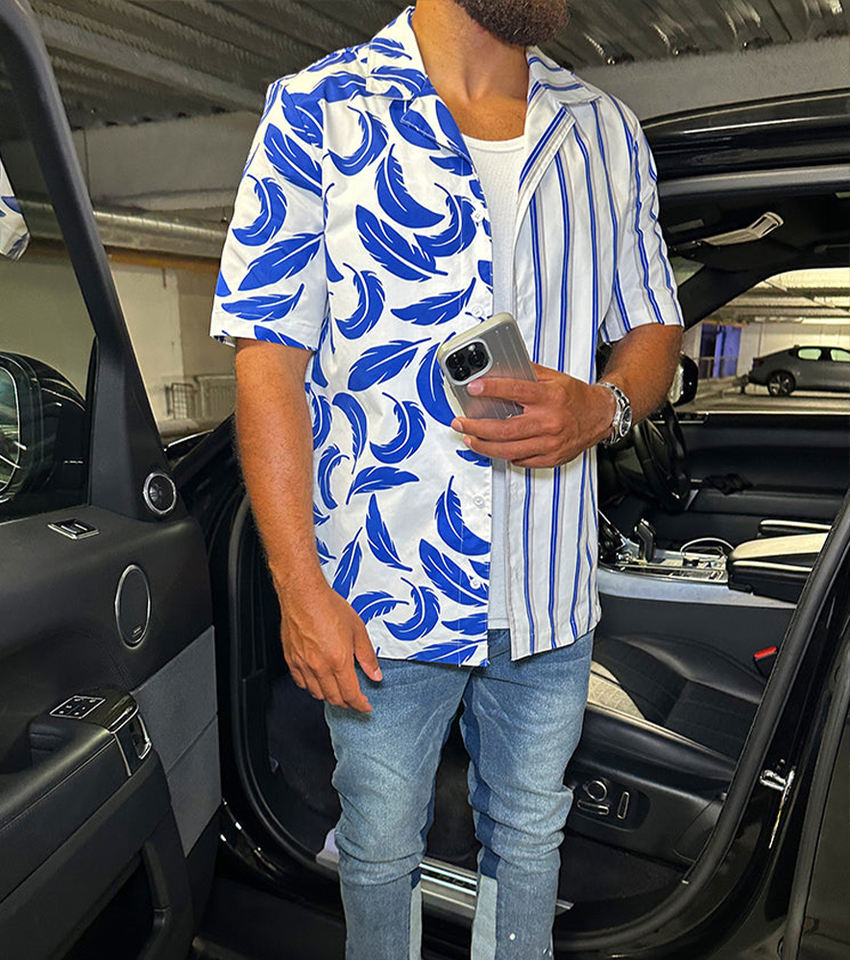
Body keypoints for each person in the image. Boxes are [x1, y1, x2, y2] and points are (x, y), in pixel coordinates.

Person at [209, 1, 684, 956]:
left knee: (531, 835)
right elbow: (267, 365)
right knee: (379, 848)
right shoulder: (319, 110)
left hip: (548, 590)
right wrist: (299, 591)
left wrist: (603, 408)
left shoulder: (604, 131)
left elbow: (654, 324)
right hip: (383, 591)